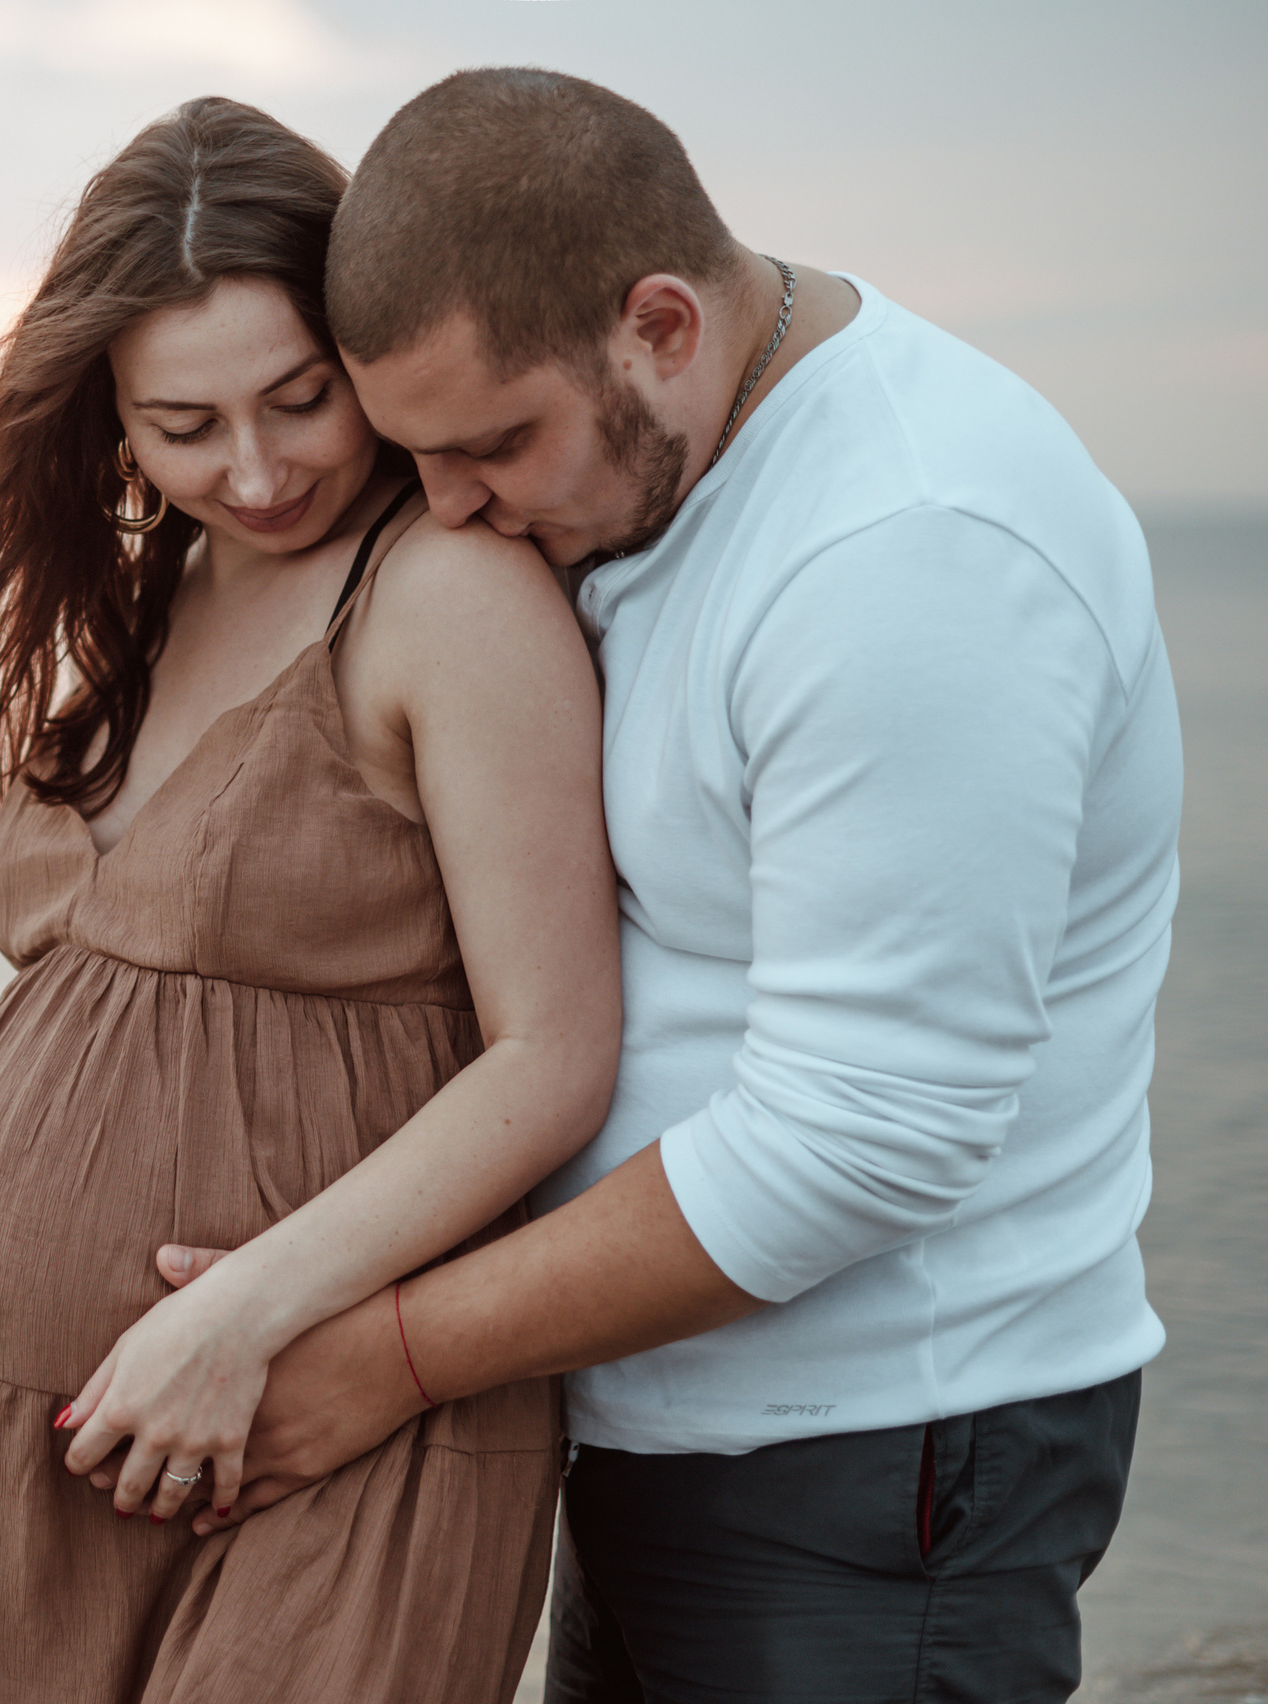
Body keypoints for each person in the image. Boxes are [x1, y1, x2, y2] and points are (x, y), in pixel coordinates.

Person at [158, 69, 1182, 1703]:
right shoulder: (659, 471)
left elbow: (863, 1135)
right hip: (661, 1436)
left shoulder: (910, 550)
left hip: (879, 1472)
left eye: (495, 444)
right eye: (417, 453)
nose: (451, 508)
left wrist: (385, 1358)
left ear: (662, 325)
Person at [0, 96, 621, 1702]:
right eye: (184, 428)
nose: (255, 471)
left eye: (302, 400)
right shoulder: (162, 588)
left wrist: (239, 1317)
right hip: (9, 1429)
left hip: (303, 1425)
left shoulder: (447, 600)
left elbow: (555, 1052)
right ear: (107, 413)